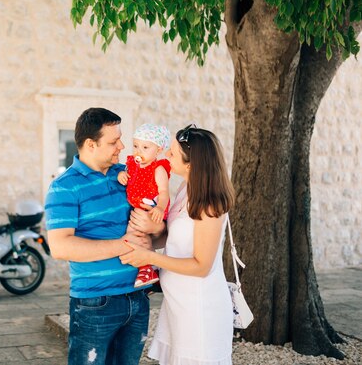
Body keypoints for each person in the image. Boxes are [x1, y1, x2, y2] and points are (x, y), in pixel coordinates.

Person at [45, 107, 165, 365]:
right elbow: (60, 247)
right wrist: (125, 245)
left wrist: (156, 229)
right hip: (94, 304)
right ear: (90, 144)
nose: (122, 146)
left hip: (139, 297)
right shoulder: (64, 187)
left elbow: (158, 233)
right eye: (113, 141)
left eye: (121, 138)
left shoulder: (130, 174)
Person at [120, 124, 235, 365]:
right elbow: (174, 237)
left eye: (171, 153)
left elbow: (201, 266)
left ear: (191, 165)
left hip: (199, 308)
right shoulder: (185, 188)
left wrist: (148, 257)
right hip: (178, 305)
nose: (165, 156)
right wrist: (150, 234)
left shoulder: (210, 204)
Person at [117, 123, 171, 287]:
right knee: (137, 235)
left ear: (158, 149)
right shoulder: (133, 164)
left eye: (145, 147)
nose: (138, 151)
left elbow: (164, 192)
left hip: (151, 207)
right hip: (137, 207)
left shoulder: (157, 169)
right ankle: (149, 267)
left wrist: (160, 208)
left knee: (136, 235)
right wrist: (121, 175)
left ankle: (147, 267)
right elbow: (127, 176)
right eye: (135, 146)